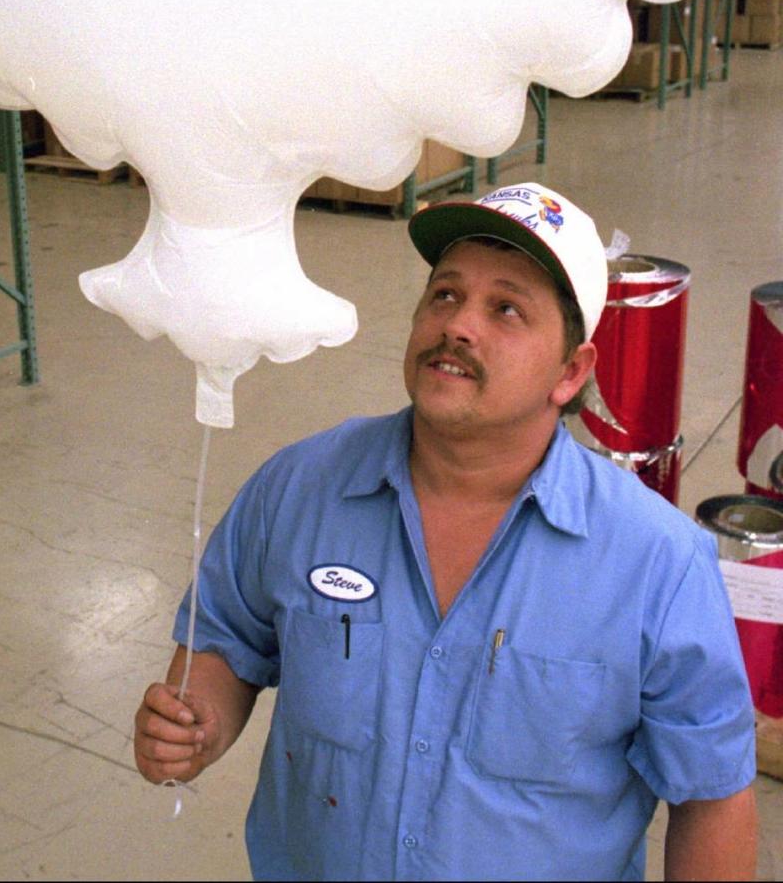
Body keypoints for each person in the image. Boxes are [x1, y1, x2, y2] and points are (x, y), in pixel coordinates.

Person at [134, 181, 757, 882]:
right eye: (445, 295)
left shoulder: (656, 562)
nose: (459, 325)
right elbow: (227, 640)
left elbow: (713, 796)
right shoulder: (298, 490)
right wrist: (196, 723)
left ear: (570, 371)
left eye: (506, 309)